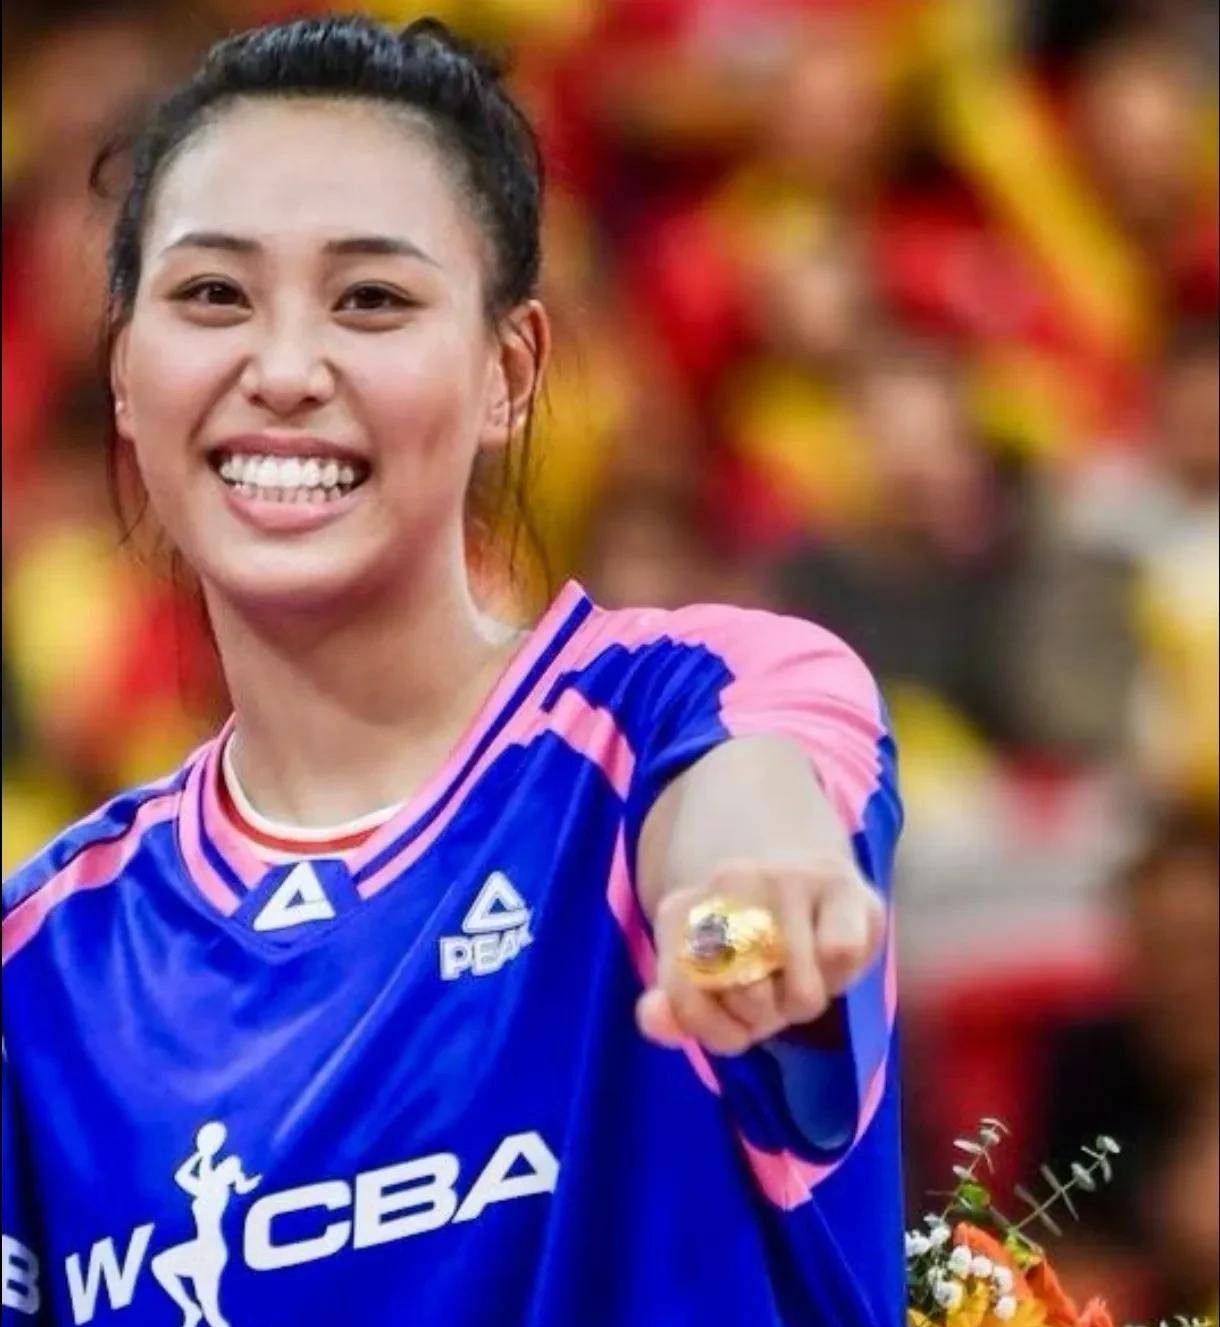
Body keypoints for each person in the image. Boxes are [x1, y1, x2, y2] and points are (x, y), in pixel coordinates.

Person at [1, 17, 902, 1326]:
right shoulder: (44, 968)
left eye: (372, 298)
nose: (285, 371)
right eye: (212, 297)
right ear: (127, 378)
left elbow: (739, 825)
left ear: (507, 373)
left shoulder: (674, 706)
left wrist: (745, 922)